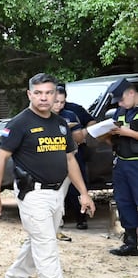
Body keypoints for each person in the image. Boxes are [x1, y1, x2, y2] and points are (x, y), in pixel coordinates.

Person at [0, 73, 95, 278]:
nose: (44, 97)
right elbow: (1, 158)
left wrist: (84, 192)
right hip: (33, 194)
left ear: (55, 95)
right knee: (47, 247)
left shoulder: (59, 124)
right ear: (30, 95)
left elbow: (70, 160)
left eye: (48, 93)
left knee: (39, 239)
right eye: (38, 93)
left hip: (57, 193)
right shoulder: (19, 123)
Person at [106, 78, 138, 256]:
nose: (119, 103)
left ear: (131, 93)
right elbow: (115, 138)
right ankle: (131, 242)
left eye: (121, 99)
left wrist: (129, 133)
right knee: (124, 202)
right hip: (121, 162)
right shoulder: (120, 111)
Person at [54, 85, 92, 230]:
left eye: (62, 102)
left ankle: (81, 218)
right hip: (52, 158)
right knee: (56, 190)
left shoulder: (70, 114)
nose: (59, 105)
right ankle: (58, 220)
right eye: (56, 101)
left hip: (72, 155)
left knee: (77, 187)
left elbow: (79, 136)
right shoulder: (42, 116)